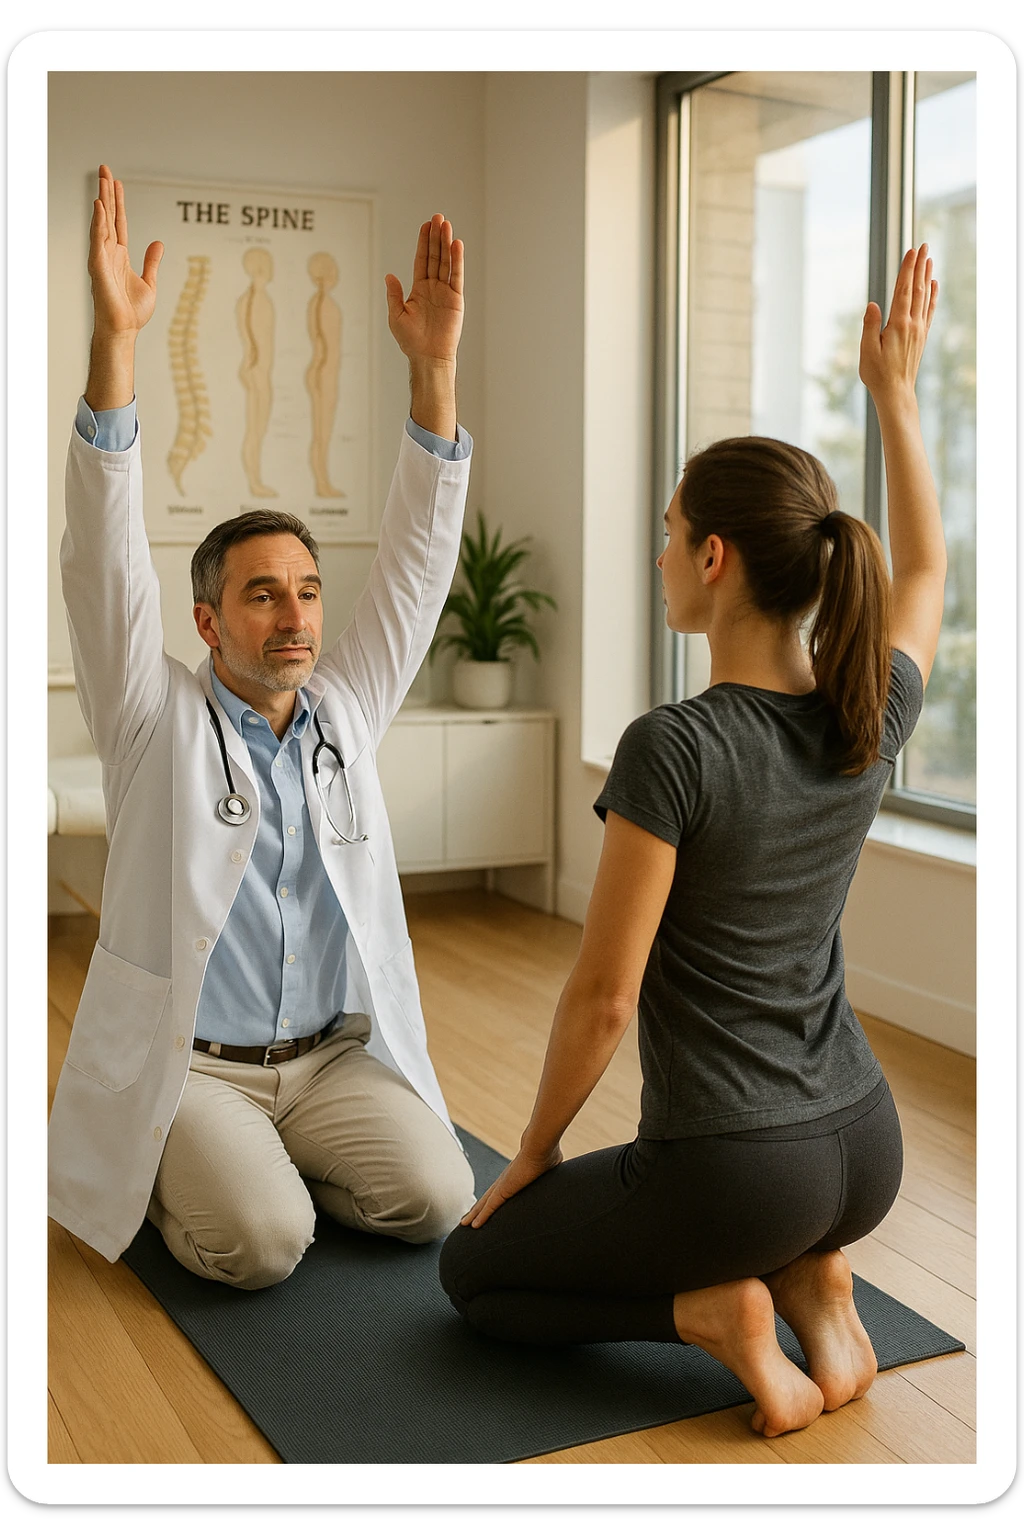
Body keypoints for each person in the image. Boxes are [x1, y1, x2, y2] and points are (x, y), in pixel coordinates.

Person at [440, 246, 944, 1438]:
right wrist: (897, 394)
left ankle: (717, 1314)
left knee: (477, 1277)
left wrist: (531, 1154)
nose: (661, 551)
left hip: (733, 1173)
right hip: (863, 1147)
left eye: (669, 532)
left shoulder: (674, 746)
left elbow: (604, 999)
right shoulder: (864, 710)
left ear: (712, 559)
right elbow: (925, 567)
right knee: (745, 1220)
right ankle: (817, 1276)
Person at [48, 165, 477, 1288]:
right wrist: (116, 343)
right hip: (195, 1067)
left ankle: (268, 1161)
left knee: (436, 1197)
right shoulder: (153, 720)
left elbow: (419, 569)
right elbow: (101, 562)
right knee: (262, 1248)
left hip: (330, 1064)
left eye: (307, 590)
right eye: (261, 594)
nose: (296, 616)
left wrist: (432, 370)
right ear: (206, 618)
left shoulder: (343, 707)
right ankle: (202, 1176)